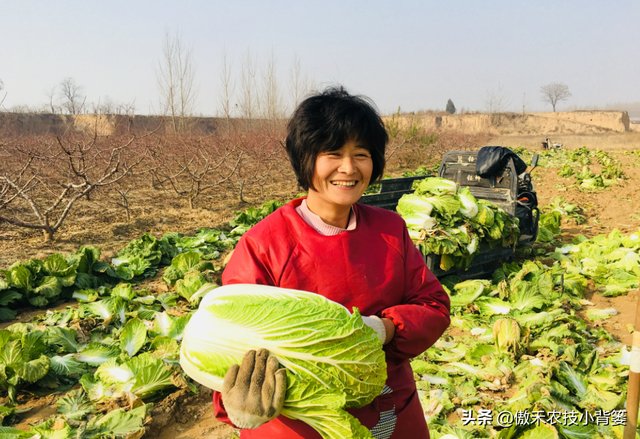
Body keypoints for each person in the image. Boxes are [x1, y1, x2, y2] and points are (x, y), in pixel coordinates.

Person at [213, 86, 451, 439]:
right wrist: (236, 403)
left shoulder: (390, 230)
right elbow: (229, 339)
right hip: (299, 419)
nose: (349, 168)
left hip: (387, 408)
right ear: (304, 159)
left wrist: (383, 329)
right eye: (333, 153)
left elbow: (433, 305)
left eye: (362, 154)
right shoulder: (265, 244)